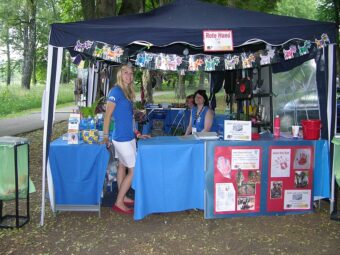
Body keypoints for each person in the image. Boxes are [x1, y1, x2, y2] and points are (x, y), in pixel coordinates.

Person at [103, 64, 149, 215]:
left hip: (127, 136)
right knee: (134, 171)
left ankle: (122, 196)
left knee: (123, 167)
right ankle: (119, 202)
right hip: (121, 138)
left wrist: (136, 133)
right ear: (120, 74)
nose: (129, 76)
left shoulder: (126, 92)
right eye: (125, 73)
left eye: (131, 73)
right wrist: (105, 136)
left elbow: (127, 118)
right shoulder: (116, 91)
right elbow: (108, 116)